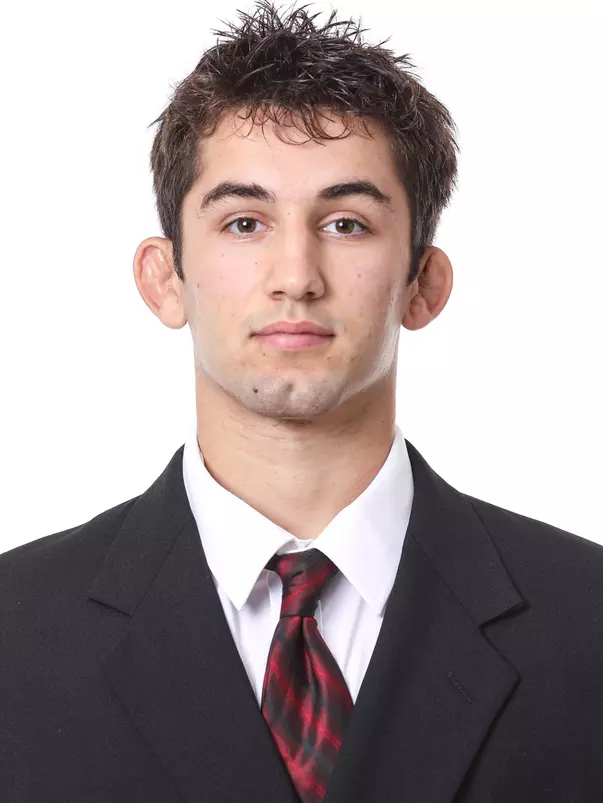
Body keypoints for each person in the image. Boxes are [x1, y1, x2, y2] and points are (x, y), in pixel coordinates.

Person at [1, 2, 602, 801]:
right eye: (244, 221)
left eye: (346, 223)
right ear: (164, 278)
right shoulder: (16, 630)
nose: (296, 273)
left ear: (423, 283)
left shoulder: (586, 622)